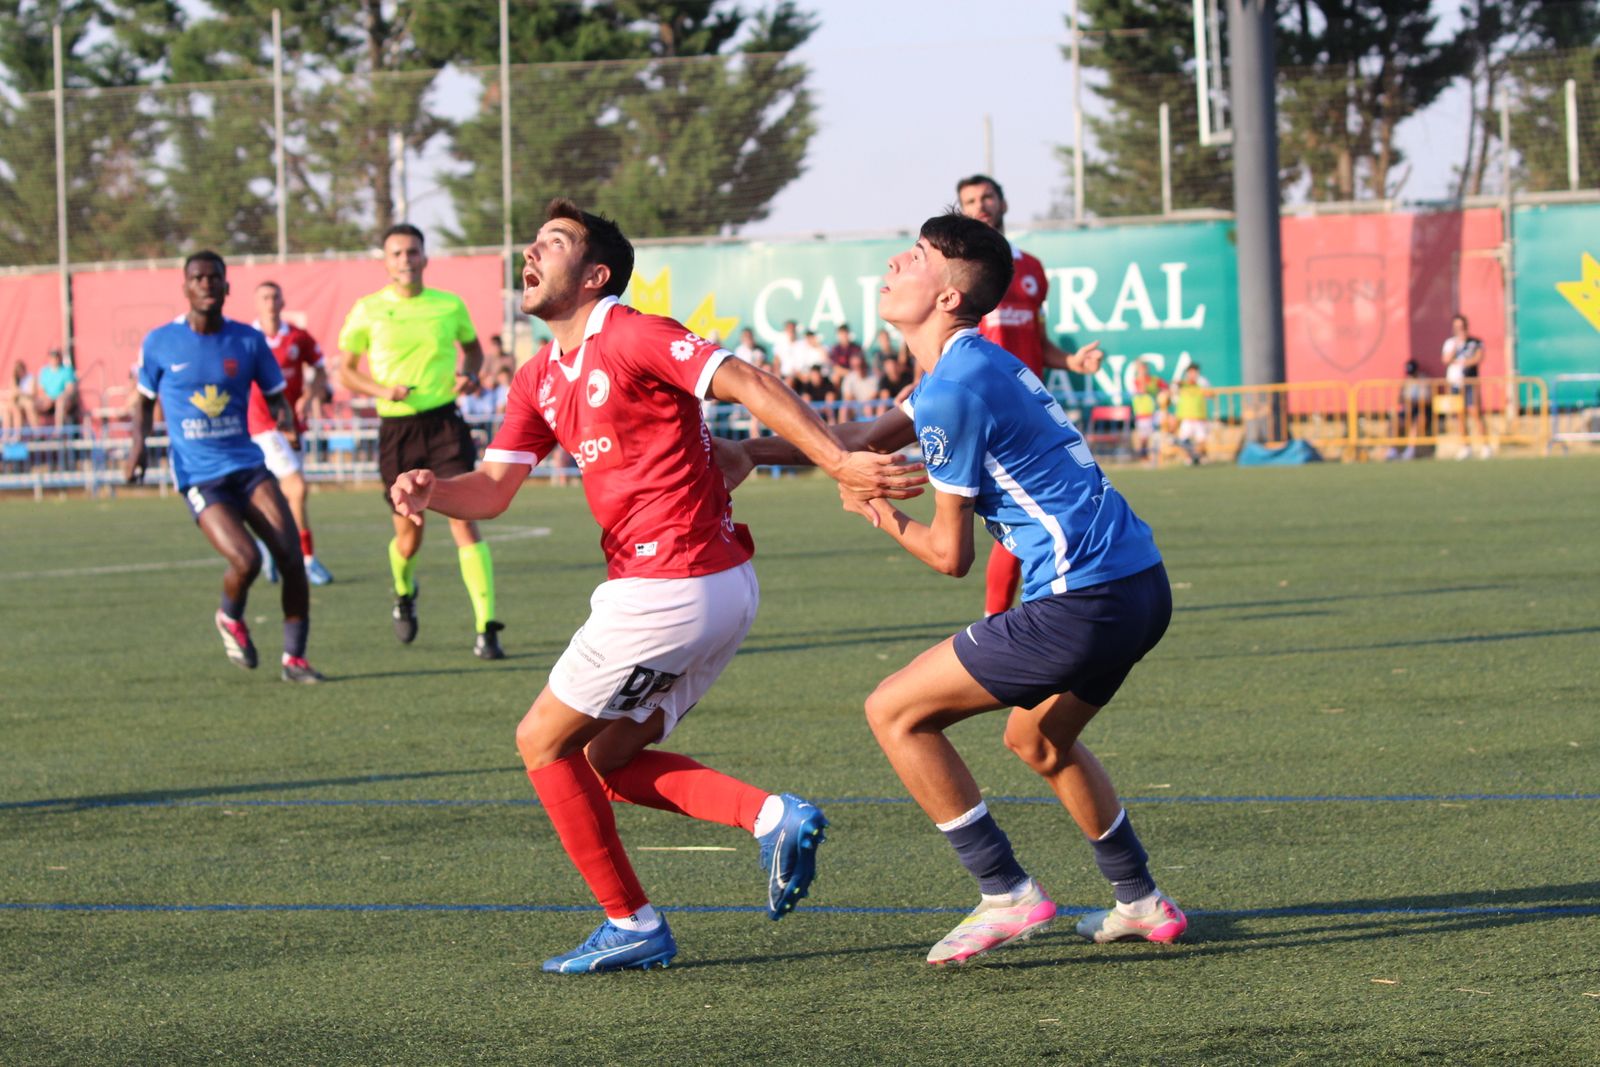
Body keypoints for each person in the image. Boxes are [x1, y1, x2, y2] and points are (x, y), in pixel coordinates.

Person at [389, 198, 924, 973]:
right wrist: (432, 490)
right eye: (532, 244)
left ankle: (631, 921)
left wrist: (837, 460)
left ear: (595, 274)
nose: (530, 255)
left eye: (554, 243)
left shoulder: (631, 331)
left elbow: (741, 376)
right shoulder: (540, 375)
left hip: (667, 584)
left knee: (540, 741)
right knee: (606, 757)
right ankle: (772, 815)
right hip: (717, 588)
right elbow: (494, 489)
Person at [739, 212, 1185, 966]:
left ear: (947, 295)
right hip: (1140, 587)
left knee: (894, 710)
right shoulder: (972, 365)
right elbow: (857, 443)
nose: (893, 263)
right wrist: (748, 449)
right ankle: (1140, 899)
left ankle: (1005, 889)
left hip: (1081, 600)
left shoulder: (952, 389)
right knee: (1037, 738)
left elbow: (951, 555)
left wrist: (876, 510)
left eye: (913, 257)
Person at [124, 251, 323, 683]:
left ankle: (295, 659)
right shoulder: (160, 341)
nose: (207, 284)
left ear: (227, 287)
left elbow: (274, 396)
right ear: (186, 287)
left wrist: (286, 422)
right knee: (247, 560)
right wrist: (138, 447)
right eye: (198, 278)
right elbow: (142, 402)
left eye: (215, 277)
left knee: (291, 556)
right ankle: (230, 616)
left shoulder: (247, 341)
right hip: (200, 476)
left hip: (249, 466)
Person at [337, 223, 504, 659]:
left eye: (413, 251)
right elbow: (347, 371)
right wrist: (380, 391)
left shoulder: (448, 305)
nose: (405, 259)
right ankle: (403, 589)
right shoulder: (367, 310)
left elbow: (473, 351)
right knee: (410, 534)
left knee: (465, 520)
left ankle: (486, 626)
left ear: (425, 258)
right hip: (397, 430)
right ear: (386, 261)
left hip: (445, 426)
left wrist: (469, 374)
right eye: (396, 253)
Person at [956, 174, 1104, 616]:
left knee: (1033, 516)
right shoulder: (957, 270)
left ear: (1002, 203)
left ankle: (1007, 623)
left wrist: (1072, 362)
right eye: (970, 201)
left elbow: (1037, 342)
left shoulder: (1032, 269)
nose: (980, 205)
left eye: (987, 197)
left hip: (1032, 409)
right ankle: (1001, 626)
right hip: (983, 409)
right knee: (1019, 517)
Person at [249, 281, 334, 586]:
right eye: (264, 297)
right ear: (256, 303)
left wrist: (309, 395)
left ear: (283, 301)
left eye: (275, 296)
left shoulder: (297, 336)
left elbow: (321, 369)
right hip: (263, 426)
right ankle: (306, 559)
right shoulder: (247, 338)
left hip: (293, 424)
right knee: (296, 488)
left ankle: (270, 545)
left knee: (285, 494)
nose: (270, 302)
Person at [1443, 313, 1490, 459]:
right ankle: (1465, 446)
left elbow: (1478, 358)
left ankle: (1485, 446)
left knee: (1475, 412)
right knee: (1460, 414)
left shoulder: (1475, 342)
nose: (1460, 329)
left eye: (1462, 326)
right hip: (1456, 383)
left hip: (1470, 381)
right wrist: (1457, 346)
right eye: (1456, 327)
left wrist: (1462, 362)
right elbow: (1446, 360)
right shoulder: (1451, 343)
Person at [1387, 359, 1432, 461]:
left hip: (1421, 410)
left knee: (1416, 423)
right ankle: (1392, 450)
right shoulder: (1406, 381)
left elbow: (1428, 399)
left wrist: (1413, 401)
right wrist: (1405, 401)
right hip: (1408, 410)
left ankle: (1410, 451)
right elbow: (1400, 398)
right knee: (1396, 422)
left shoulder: (1423, 380)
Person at [1128, 360, 1168, 465]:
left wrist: (1164, 395)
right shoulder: (1135, 381)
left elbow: (1165, 388)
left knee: (1164, 428)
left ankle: (1161, 455)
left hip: (1154, 411)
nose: (1143, 371)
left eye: (1144, 368)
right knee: (1144, 437)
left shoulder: (1154, 380)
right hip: (1142, 414)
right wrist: (1142, 379)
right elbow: (1142, 390)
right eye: (1140, 369)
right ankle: (1143, 456)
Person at [1172, 363, 1210, 465]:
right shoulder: (1184, 384)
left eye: (1195, 372)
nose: (1193, 374)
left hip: (1199, 417)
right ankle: (1190, 457)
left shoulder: (1202, 383)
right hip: (1186, 417)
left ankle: (1200, 457)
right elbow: (1176, 384)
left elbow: (1210, 394)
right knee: (1183, 440)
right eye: (1191, 372)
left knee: (1201, 439)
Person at [33, 348, 80, 431]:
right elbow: (41, 389)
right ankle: (37, 433)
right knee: (30, 405)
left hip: (63, 401)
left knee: (60, 403)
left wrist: (57, 397)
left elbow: (70, 389)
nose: (54, 360)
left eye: (56, 357)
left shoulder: (66, 370)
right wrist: (47, 397)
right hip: (47, 399)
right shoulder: (45, 371)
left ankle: (58, 432)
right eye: (52, 358)